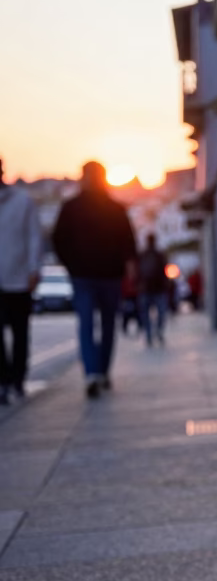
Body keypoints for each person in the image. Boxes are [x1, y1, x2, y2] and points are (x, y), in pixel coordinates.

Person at [52, 161, 137, 398]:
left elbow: (58, 240)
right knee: (105, 324)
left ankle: (94, 372)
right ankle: (98, 371)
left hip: (90, 274)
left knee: (89, 323)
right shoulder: (114, 208)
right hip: (102, 274)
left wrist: (70, 264)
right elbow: (129, 242)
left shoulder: (73, 207)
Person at [0, 157, 42, 405]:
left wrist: (33, 269)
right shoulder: (23, 200)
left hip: (19, 277)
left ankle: (16, 378)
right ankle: (5, 379)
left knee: (20, 331)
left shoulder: (22, 201)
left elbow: (34, 236)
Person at [136, 234, 169, 347]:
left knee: (156, 313)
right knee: (152, 313)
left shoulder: (155, 255)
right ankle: (152, 334)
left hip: (154, 288)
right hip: (149, 288)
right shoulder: (146, 255)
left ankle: (154, 333)